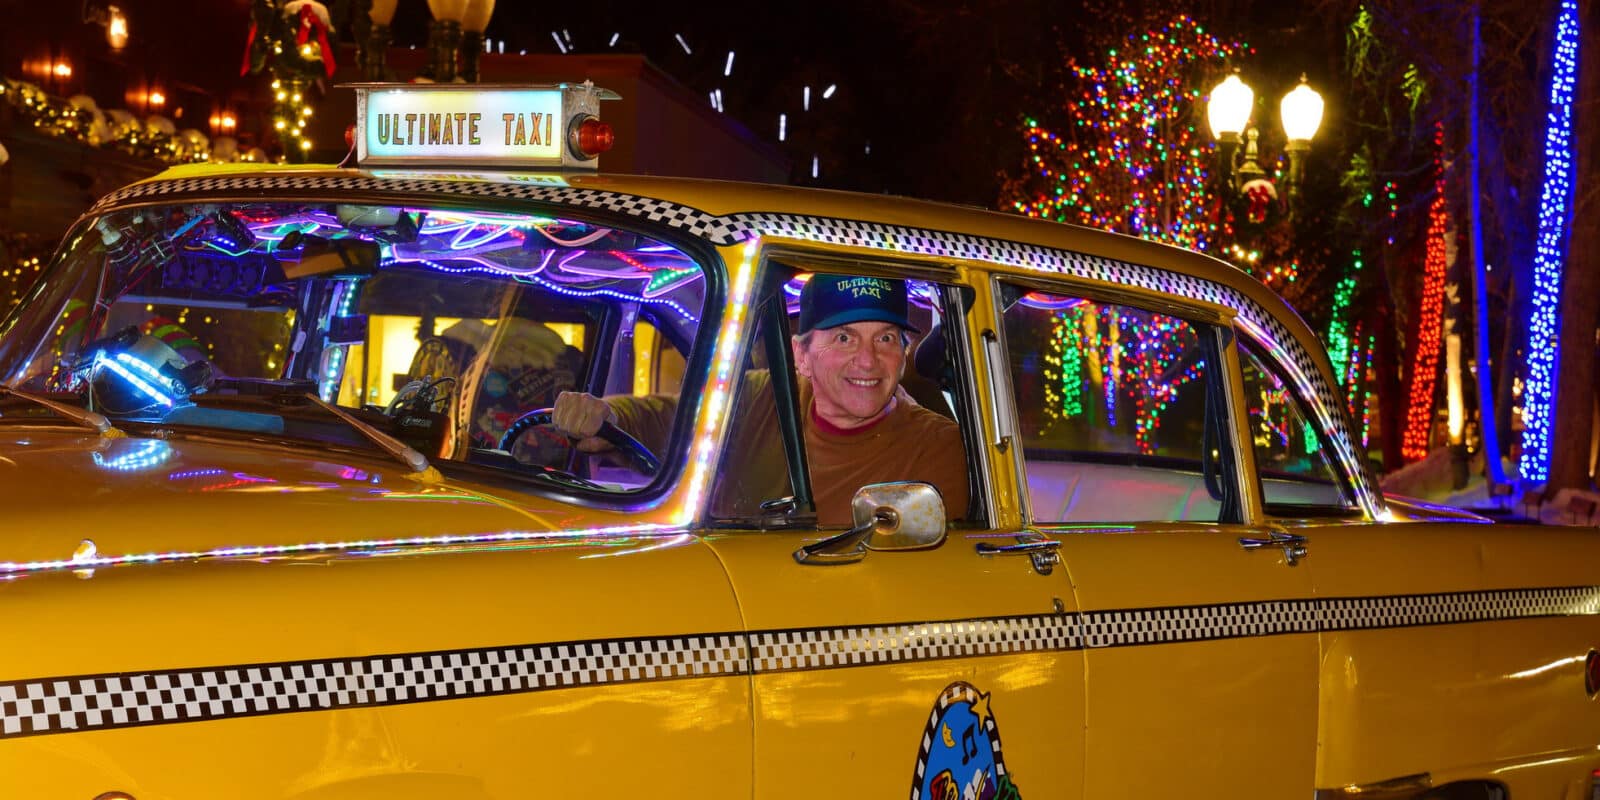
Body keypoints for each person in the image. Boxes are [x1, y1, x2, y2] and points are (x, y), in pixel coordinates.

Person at [552, 274, 970, 526]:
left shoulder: (937, 448)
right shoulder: (760, 395)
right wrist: (603, 415)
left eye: (885, 338)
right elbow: (664, 418)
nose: (867, 359)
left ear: (901, 356)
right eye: (844, 338)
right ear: (801, 356)